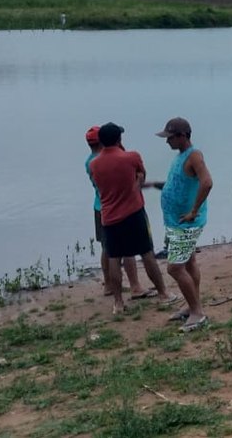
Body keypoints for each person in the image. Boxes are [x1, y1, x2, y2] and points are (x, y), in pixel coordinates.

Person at [88, 123, 175, 316]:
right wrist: (135, 183)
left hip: (109, 216)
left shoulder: (94, 164)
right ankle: (163, 293)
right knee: (146, 253)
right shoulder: (131, 157)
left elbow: (99, 184)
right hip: (134, 213)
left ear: (101, 141)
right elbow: (141, 176)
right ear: (119, 139)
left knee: (114, 257)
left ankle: (118, 303)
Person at [149, 117, 213, 331]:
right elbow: (178, 183)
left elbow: (207, 182)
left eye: (170, 137)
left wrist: (194, 211)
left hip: (186, 224)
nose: (167, 142)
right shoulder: (180, 156)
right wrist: (151, 185)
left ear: (182, 136)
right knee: (189, 263)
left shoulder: (194, 155)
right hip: (176, 221)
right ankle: (191, 305)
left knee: (174, 268)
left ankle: (197, 312)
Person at [85, 126, 147, 299]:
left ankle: (109, 285)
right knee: (127, 250)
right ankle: (135, 285)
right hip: (122, 208)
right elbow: (134, 177)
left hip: (101, 208)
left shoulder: (90, 162)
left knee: (108, 249)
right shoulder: (110, 160)